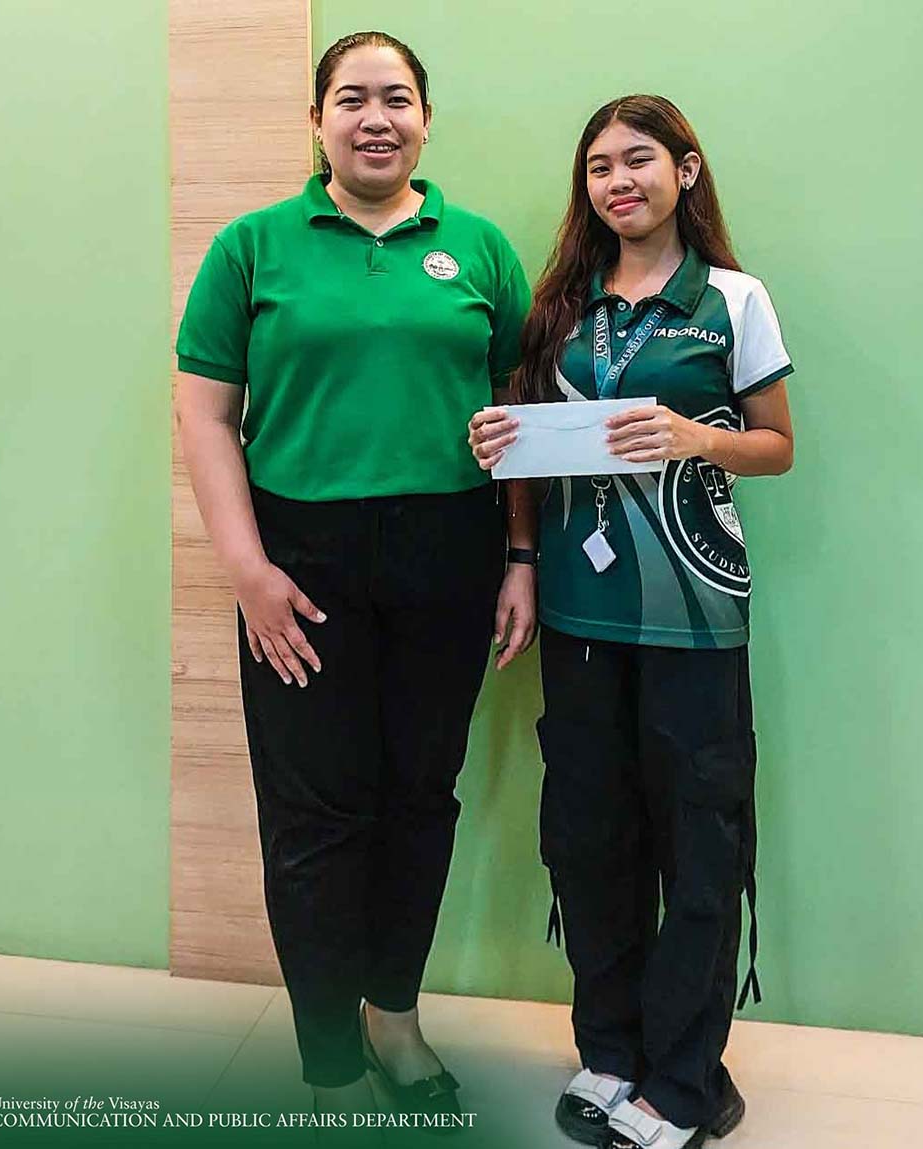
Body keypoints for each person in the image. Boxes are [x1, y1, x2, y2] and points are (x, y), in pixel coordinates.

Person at [175, 30, 535, 1126]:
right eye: (351, 98)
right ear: (318, 120)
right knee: (314, 812)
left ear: (425, 118)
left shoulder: (479, 248)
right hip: (300, 561)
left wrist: (520, 555)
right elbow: (206, 414)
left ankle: (396, 1019)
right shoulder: (252, 246)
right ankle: (328, 1054)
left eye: (396, 98)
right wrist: (248, 570)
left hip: (449, 550)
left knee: (420, 797)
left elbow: (518, 416)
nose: (375, 118)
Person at [468, 95, 795, 1149]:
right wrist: (513, 517)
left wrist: (697, 438)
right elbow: (527, 456)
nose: (620, 181)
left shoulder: (733, 299)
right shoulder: (558, 310)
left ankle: (686, 1080)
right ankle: (610, 1053)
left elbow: (777, 445)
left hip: (696, 615)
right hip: (579, 614)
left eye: (640, 160)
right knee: (589, 837)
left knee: (698, 842)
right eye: (601, 166)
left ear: (685, 171)